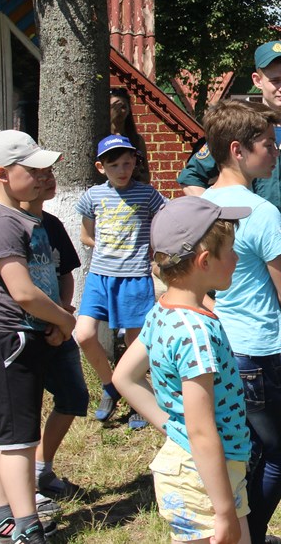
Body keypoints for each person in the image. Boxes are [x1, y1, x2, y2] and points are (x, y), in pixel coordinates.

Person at [113, 196, 253, 544]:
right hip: (206, 479)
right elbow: (201, 430)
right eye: (231, 251)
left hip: (192, 466)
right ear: (204, 261)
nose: (236, 258)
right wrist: (224, 510)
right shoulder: (196, 333)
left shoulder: (164, 310)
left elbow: (123, 377)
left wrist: (172, 426)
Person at [199, 100, 281, 544]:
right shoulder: (260, 211)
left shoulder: (201, 205)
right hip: (260, 349)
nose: (275, 152)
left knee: (246, 447)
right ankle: (250, 535)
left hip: (220, 347)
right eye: (268, 145)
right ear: (238, 150)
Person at [0, 130, 73, 544]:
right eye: (33, 170)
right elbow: (24, 292)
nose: (43, 176)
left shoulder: (22, 218)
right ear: (1, 174)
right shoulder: (0, 223)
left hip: (22, 336)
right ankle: (27, 527)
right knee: (20, 442)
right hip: (6, 340)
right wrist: (65, 321)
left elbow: (48, 281)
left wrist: (56, 321)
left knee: (6, 433)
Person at [178, 40, 281, 273]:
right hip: (250, 257)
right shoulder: (237, 130)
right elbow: (191, 177)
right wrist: (218, 218)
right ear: (257, 80)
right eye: (275, 80)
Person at [74, 134, 165, 429]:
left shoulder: (148, 195)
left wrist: (154, 250)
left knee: (135, 344)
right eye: (114, 165)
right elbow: (86, 236)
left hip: (135, 278)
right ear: (101, 168)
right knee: (84, 334)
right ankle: (111, 385)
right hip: (100, 278)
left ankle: (139, 397)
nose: (122, 170)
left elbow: (165, 222)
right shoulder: (93, 196)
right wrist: (108, 247)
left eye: (127, 163)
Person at [20, 167, 89, 508]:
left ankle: (40, 470)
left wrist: (61, 316)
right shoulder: (8, 226)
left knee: (74, 396)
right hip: (23, 335)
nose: (49, 179)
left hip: (58, 329)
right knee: (23, 414)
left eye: (51, 173)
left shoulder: (52, 225)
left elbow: (65, 274)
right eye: (39, 174)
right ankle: (19, 489)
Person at [109, 87, 150, 184]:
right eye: (114, 107)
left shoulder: (136, 140)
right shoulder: (101, 138)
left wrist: (136, 173)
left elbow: (146, 177)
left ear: (128, 111)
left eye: (123, 107)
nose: (119, 111)